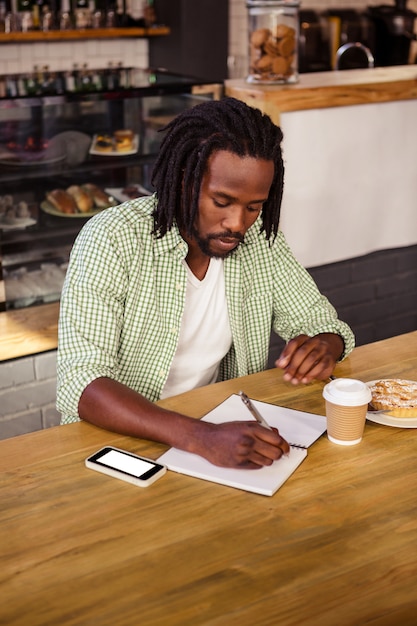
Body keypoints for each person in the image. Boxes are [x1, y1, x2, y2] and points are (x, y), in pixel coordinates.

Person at [57, 97, 354, 470]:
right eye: (222, 201)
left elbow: (320, 322)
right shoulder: (112, 239)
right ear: (185, 179)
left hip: (217, 428)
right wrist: (200, 437)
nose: (237, 223)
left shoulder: (259, 239)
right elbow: (82, 382)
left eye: (253, 206)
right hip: (121, 441)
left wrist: (324, 346)